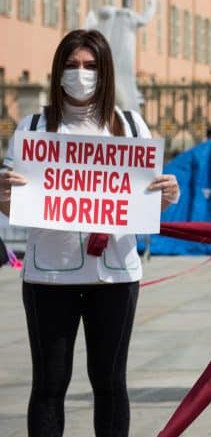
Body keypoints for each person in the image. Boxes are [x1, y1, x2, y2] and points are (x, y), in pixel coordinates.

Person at [0, 29, 180, 437]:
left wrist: (169, 194)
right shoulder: (32, 127)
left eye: (90, 66)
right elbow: (13, 207)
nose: (80, 74)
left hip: (114, 277)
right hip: (49, 275)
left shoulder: (132, 126)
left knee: (111, 383)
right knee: (49, 384)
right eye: (72, 65)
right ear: (58, 70)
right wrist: (3, 195)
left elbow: (148, 200)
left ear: (106, 72)